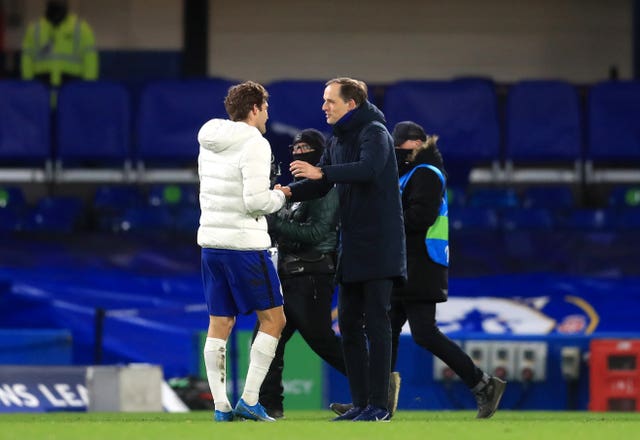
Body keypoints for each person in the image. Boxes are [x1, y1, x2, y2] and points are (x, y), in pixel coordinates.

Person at [280, 77, 407, 422]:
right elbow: (321, 186)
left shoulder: (375, 133)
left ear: (351, 103)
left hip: (380, 245)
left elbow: (368, 170)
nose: (324, 107)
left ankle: (380, 406)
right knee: (349, 324)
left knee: (377, 324)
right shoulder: (338, 139)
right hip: (352, 245)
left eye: (330, 101)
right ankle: (362, 403)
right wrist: (286, 193)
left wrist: (320, 171)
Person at [198, 81, 288, 422]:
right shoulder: (255, 143)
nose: (267, 114)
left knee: (219, 322)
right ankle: (250, 399)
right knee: (274, 319)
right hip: (244, 245)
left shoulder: (209, 140)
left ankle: (221, 407)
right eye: (264, 108)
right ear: (254, 109)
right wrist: (281, 196)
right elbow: (255, 201)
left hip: (211, 243)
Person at [253, 128, 346, 419]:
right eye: (295, 147)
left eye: (306, 149)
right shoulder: (295, 190)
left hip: (312, 274)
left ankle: (377, 383)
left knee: (321, 341)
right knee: (268, 340)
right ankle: (269, 406)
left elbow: (317, 232)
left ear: (319, 154)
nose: (298, 152)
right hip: (289, 276)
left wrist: (275, 223)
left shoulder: (325, 188)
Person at [21, 0, 98, 106]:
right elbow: (26, 65)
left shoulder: (82, 30)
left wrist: (86, 93)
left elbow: (91, 67)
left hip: (72, 99)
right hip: (41, 100)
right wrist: (29, 91)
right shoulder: (34, 31)